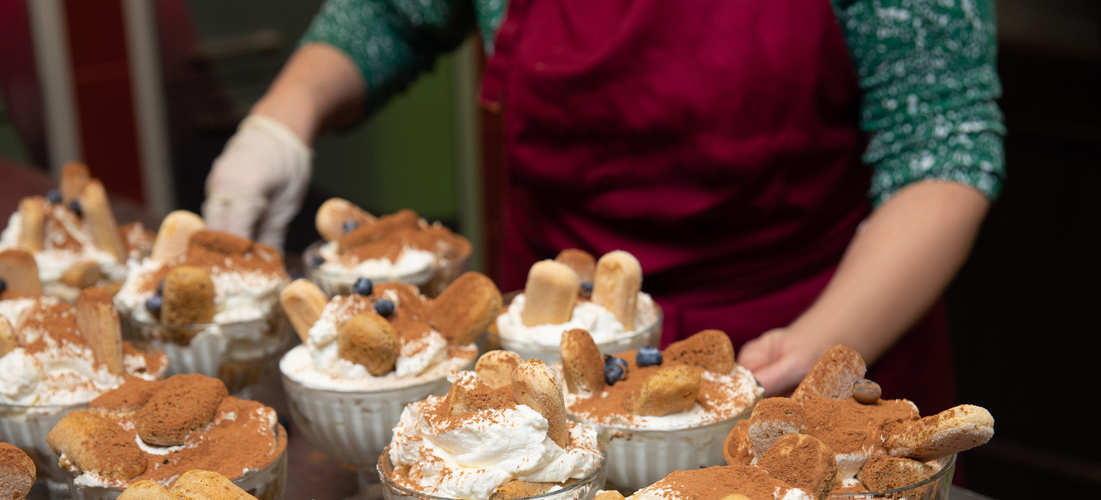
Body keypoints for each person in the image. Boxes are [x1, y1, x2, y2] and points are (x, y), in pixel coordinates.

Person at [202, 0, 1004, 413]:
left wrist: (814, 350)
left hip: (805, 335)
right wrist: (284, 119)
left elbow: (946, 144)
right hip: (557, 354)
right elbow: (391, 13)